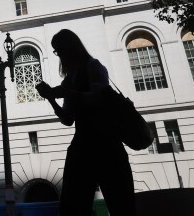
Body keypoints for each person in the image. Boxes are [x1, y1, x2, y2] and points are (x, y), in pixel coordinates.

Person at [36, 29, 136, 216]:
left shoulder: (92, 67)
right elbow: (68, 119)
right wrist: (51, 98)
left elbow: (100, 98)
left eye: (59, 50)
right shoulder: (72, 78)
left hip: (102, 144)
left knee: (117, 204)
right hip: (94, 145)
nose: (60, 56)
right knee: (115, 203)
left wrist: (65, 94)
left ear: (69, 48)